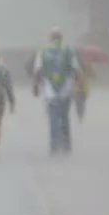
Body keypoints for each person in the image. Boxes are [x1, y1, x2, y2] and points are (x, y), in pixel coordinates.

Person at [33, 27, 80, 155]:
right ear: (61, 38)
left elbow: (37, 71)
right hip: (66, 89)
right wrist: (76, 85)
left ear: (50, 38)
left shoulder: (43, 51)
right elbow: (76, 70)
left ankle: (54, 145)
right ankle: (66, 144)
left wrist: (36, 86)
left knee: (53, 117)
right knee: (64, 117)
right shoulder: (69, 50)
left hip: (50, 91)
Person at [73, 58, 95, 122]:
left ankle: (80, 117)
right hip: (78, 89)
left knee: (81, 104)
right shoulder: (75, 68)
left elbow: (93, 75)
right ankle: (80, 116)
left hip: (82, 89)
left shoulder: (87, 67)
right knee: (79, 104)